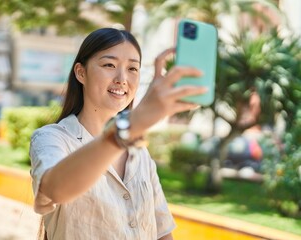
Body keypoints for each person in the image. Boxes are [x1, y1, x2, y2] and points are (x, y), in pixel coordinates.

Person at [29, 27, 206, 240]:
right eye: (109, 65)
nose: (122, 79)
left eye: (133, 69)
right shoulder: (52, 138)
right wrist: (130, 126)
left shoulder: (140, 154)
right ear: (81, 72)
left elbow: (162, 231)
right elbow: (54, 189)